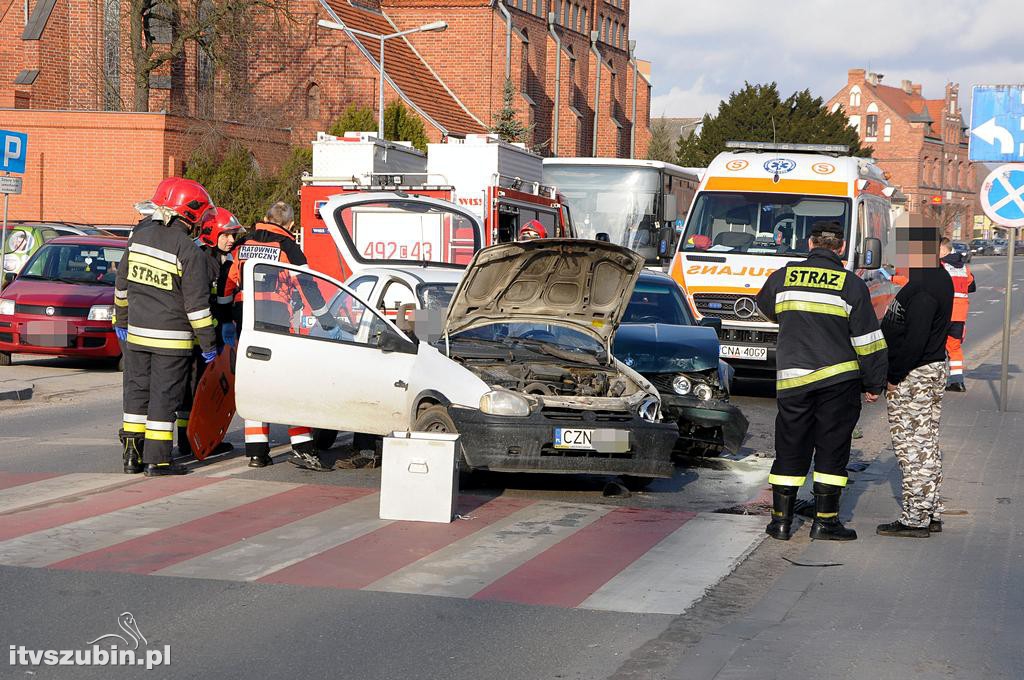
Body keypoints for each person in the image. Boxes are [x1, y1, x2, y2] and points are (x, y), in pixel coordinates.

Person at [755, 220, 888, 541]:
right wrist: (874, 384)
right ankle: (825, 523)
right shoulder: (851, 284)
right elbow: (868, 340)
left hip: (793, 380)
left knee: (789, 446)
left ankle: (780, 523)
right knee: (831, 448)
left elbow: (763, 308)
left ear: (810, 244)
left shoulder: (783, 277)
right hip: (838, 381)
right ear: (841, 248)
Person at [114, 178, 218, 477]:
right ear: (192, 213)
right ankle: (157, 461)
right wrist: (209, 347)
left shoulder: (138, 237)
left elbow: (121, 287)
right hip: (171, 340)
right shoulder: (189, 250)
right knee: (164, 397)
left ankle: (131, 457)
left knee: (136, 392)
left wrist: (122, 322)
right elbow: (197, 308)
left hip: (136, 334)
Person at [224, 201, 337, 471]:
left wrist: (225, 319)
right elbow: (308, 286)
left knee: (255, 385)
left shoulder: (242, 243)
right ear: (291, 225)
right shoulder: (289, 247)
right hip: (276, 324)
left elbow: (226, 282)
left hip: (245, 322)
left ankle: (257, 453)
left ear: (265, 217)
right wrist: (327, 320)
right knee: (290, 386)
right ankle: (303, 447)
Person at [877, 226, 954, 538]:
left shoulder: (924, 288)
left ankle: (916, 519)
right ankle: (930, 510)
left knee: (913, 446)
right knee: (926, 442)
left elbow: (915, 340)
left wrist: (894, 376)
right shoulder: (933, 278)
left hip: (915, 374)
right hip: (927, 369)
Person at [174, 207, 244, 459]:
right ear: (212, 233)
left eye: (233, 235)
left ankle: (191, 440)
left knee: (197, 390)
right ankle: (188, 442)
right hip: (197, 339)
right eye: (226, 235)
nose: (231, 240)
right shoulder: (203, 259)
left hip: (206, 336)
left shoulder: (216, 258)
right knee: (193, 390)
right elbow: (200, 302)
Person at [939, 237, 975, 392]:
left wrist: (891, 278)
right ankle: (957, 381)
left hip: (944, 313)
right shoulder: (963, 266)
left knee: (936, 346)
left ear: (943, 249)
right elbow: (971, 286)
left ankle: (937, 380)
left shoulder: (940, 266)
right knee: (954, 348)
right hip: (959, 315)